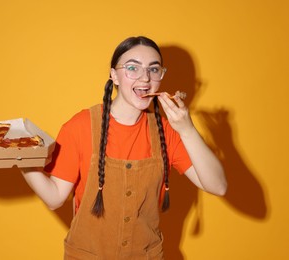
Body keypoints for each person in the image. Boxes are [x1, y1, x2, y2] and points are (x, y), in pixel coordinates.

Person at [21, 36, 227, 259]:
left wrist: (187, 130)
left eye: (154, 69)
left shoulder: (166, 131)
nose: (145, 78)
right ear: (114, 75)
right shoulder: (80, 126)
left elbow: (218, 186)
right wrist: (20, 157)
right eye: (132, 68)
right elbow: (54, 198)